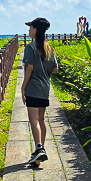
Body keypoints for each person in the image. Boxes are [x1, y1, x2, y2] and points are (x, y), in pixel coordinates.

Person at [21, 17, 59, 167]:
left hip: (33, 87)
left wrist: (23, 87)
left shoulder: (30, 47)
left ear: (35, 30)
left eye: (30, 28)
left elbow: (29, 68)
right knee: (41, 120)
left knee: (33, 119)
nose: (29, 30)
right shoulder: (49, 48)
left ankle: (39, 148)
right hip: (45, 87)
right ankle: (40, 151)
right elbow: (55, 69)